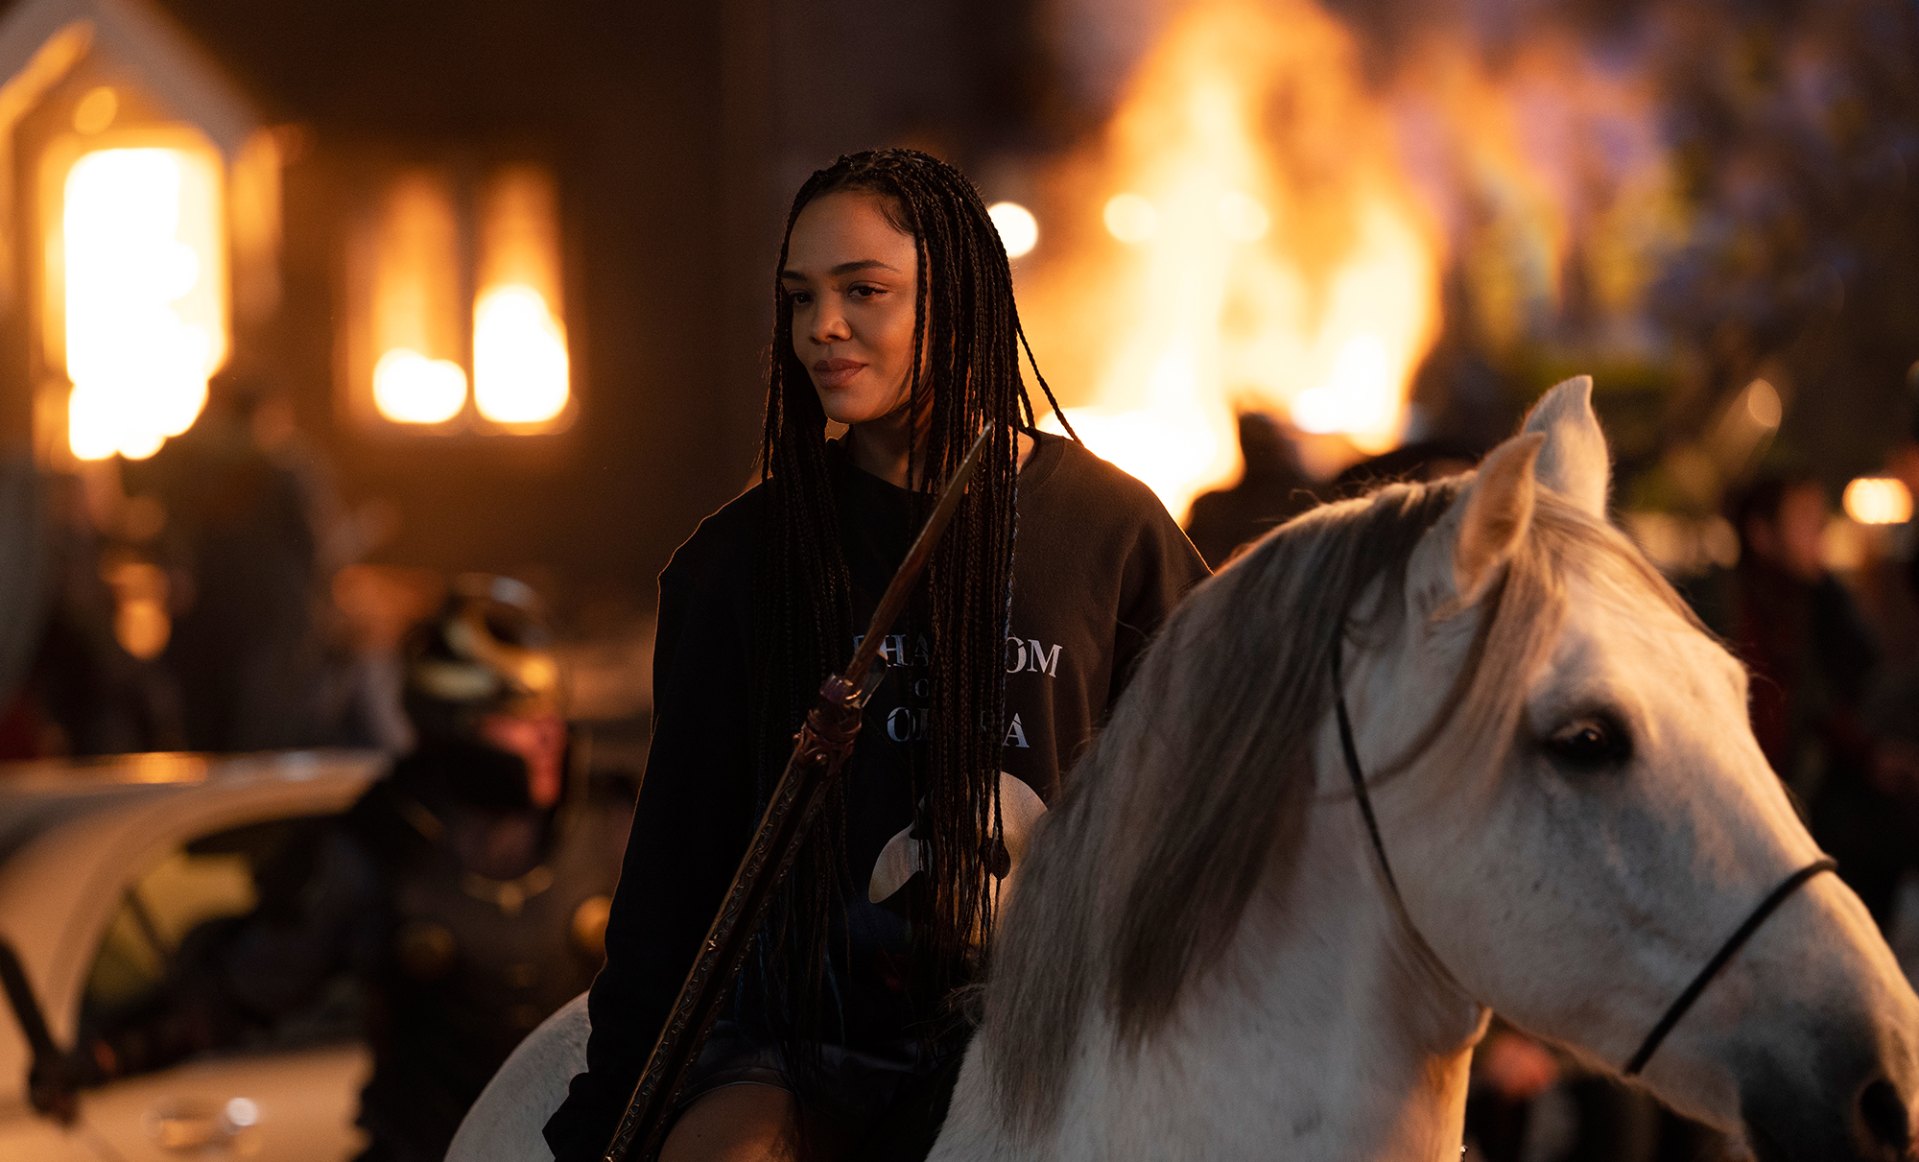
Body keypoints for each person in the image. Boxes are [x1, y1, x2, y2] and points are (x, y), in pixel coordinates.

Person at [543, 149, 1208, 1162]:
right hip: (799, 1042)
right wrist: (606, 1112)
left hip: (1043, 1034)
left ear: (962, 302)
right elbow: (675, 872)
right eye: (800, 296)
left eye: (864, 291)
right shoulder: (738, 564)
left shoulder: (1109, 530)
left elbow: (1210, 806)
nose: (823, 326)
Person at [96, 575, 631, 1162]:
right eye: (519, 718)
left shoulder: (616, 827)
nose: (550, 736)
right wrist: (110, 1054)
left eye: (552, 714)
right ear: (452, 722)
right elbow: (250, 982)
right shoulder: (379, 841)